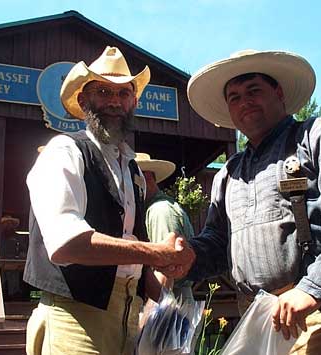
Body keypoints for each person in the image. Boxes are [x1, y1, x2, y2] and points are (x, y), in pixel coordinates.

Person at [183, 49, 321, 354]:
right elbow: (217, 243)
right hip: (257, 319)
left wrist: (313, 287)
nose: (245, 101)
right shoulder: (228, 174)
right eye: (235, 97)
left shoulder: (318, 135)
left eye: (254, 90)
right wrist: (186, 259)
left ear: (278, 93)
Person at [23, 46, 194, 355]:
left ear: (135, 102)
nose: (115, 102)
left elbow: (132, 261)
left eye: (124, 93)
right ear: (82, 100)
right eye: (103, 91)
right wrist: (156, 252)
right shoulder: (64, 151)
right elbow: (67, 243)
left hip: (129, 320)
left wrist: (168, 303)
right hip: (74, 318)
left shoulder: (133, 170)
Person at [135, 153, 196, 301]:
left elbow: (164, 275)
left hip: (172, 302)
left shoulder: (159, 210)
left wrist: (153, 317)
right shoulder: (156, 208)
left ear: (146, 178)